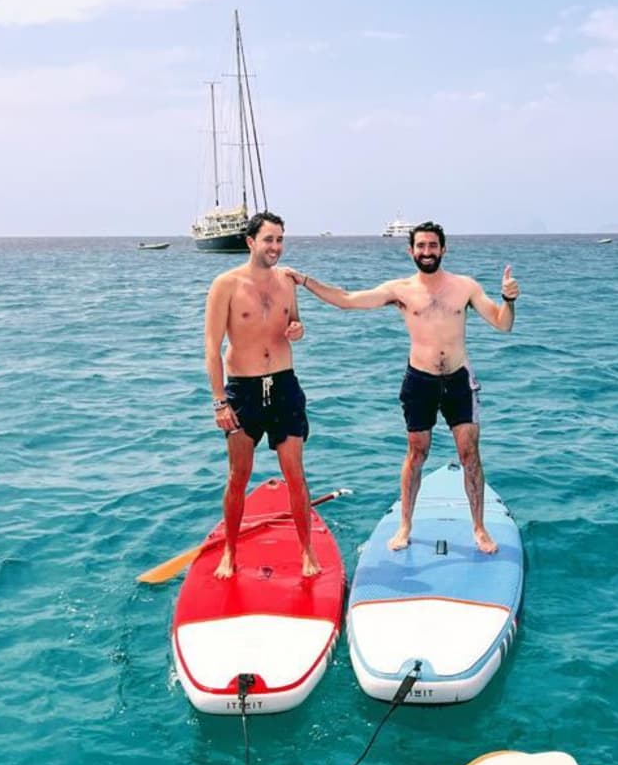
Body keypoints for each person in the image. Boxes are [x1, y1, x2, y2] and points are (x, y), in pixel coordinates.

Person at [286, 221, 518, 553]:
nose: (427, 252)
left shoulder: (464, 287)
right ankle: (405, 525)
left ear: (443, 249)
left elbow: (503, 324)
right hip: (419, 381)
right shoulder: (401, 290)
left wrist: (508, 300)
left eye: (433, 246)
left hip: (458, 381)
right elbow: (348, 300)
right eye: (420, 246)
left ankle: (479, 529)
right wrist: (305, 281)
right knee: (417, 453)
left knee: (470, 455)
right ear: (411, 251)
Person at [204, 211, 319, 579]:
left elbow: (293, 323)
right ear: (250, 242)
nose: (276, 247)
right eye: (269, 239)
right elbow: (211, 346)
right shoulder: (226, 284)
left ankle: (306, 552)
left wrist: (297, 329)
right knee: (239, 476)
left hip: (284, 386)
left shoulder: (287, 281)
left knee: (295, 475)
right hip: (244, 391)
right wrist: (220, 401)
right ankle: (230, 553)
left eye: (280, 239)